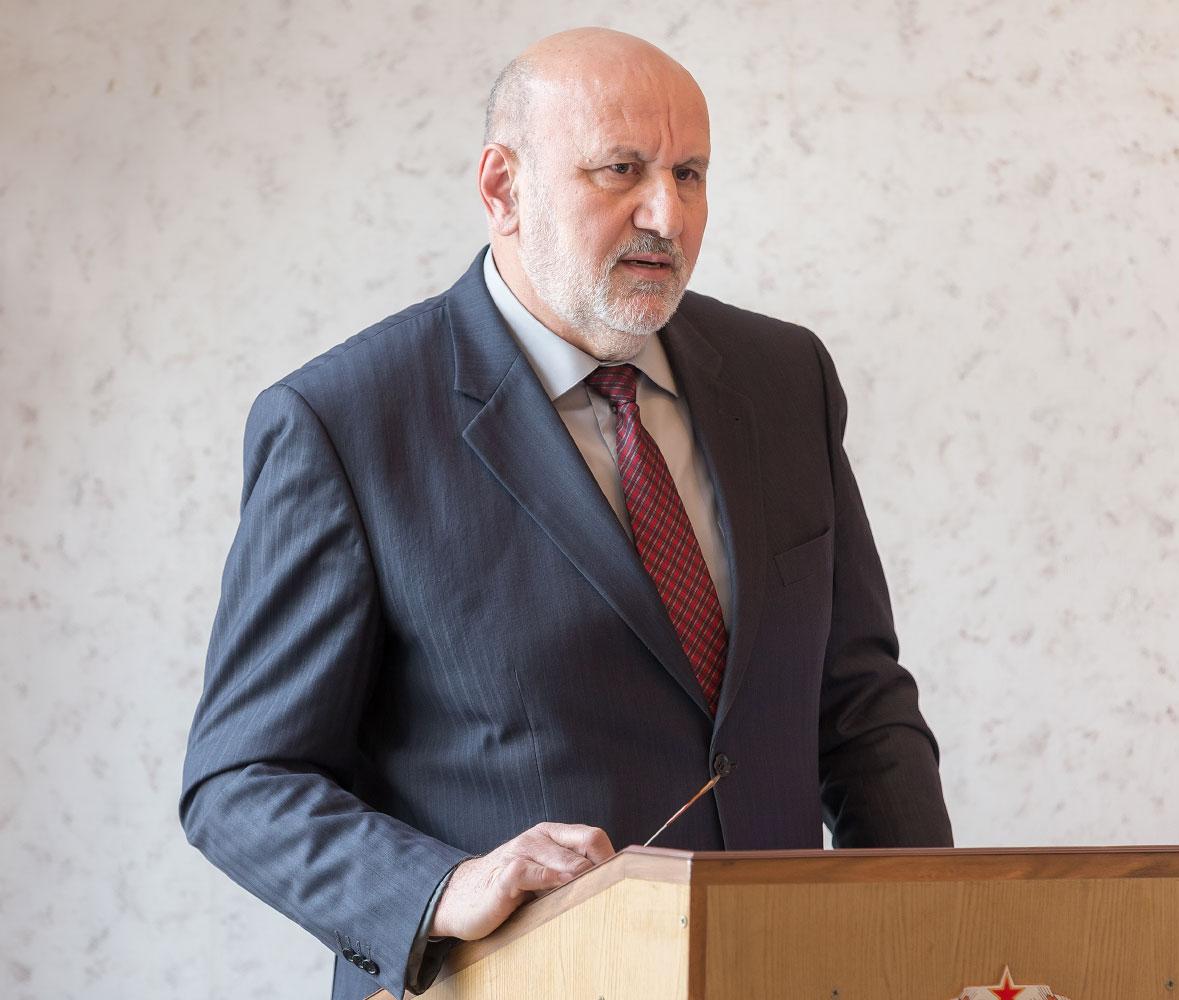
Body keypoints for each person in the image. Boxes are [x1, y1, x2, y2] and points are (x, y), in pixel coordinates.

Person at [180, 27, 951, 1000]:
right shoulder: (346, 420)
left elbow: (861, 707)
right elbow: (241, 781)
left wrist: (933, 946)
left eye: (690, 174)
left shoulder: (785, 377)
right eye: (621, 170)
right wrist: (444, 886)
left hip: (778, 974)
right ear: (503, 187)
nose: (667, 214)